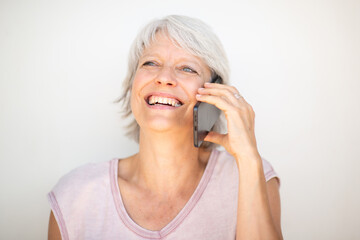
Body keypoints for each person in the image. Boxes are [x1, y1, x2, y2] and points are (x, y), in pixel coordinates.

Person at [48, 15, 283, 240]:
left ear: (215, 94)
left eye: (187, 68)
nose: (164, 77)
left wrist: (249, 158)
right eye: (151, 63)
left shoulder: (252, 176)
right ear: (132, 85)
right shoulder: (75, 197)